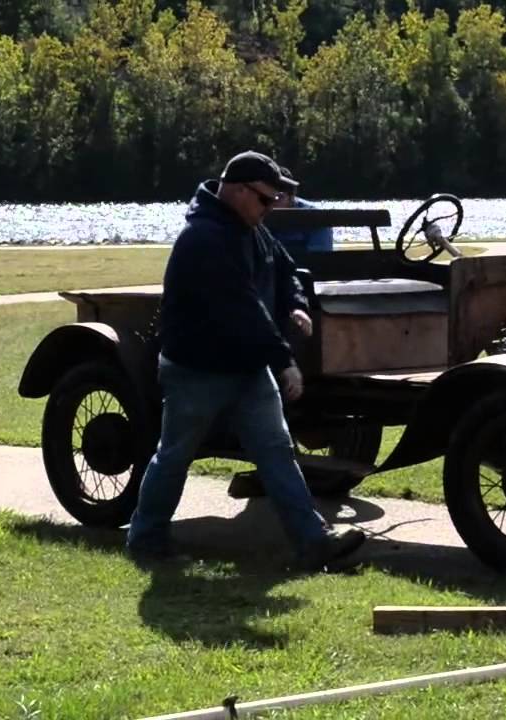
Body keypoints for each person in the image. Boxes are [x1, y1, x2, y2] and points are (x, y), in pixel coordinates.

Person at [125, 150, 364, 570]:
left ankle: (314, 543)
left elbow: (287, 269)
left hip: (246, 366)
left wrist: (296, 303)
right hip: (197, 368)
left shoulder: (252, 229)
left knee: (276, 451)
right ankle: (145, 539)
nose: (271, 208)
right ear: (237, 191)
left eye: (275, 200)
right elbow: (243, 307)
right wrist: (284, 360)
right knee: (176, 455)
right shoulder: (204, 238)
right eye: (265, 199)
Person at [271, 166, 335, 256]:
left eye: (277, 197)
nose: (270, 202)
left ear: (291, 196)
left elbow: (320, 258)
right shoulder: (257, 214)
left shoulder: (316, 217)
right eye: (265, 197)